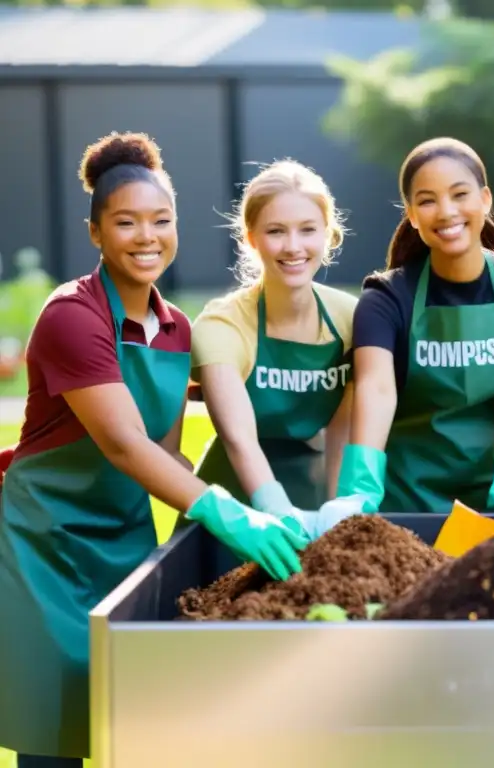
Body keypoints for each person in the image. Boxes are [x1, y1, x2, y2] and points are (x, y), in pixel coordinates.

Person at [0, 132, 306, 768]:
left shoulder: (176, 327)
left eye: (161, 221)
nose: (147, 237)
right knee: (51, 727)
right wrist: (223, 510)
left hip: (125, 543)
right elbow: (123, 444)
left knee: (122, 724)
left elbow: (163, 457)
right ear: (95, 233)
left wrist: (239, 506)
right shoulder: (71, 317)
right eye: (126, 222)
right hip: (45, 546)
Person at [322, 137, 494, 516]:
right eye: (427, 200)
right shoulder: (385, 297)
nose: (446, 211)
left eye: (459, 194)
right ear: (412, 215)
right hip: (405, 505)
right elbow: (376, 389)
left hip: (492, 504)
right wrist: (360, 489)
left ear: (484, 200)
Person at [186, 160, 357, 539]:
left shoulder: (352, 320)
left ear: (328, 235)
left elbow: (343, 430)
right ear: (251, 238)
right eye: (276, 231)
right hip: (234, 504)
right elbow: (238, 437)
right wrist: (274, 509)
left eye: (308, 230)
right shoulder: (222, 325)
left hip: (313, 487)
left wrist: (337, 513)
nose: (293, 247)